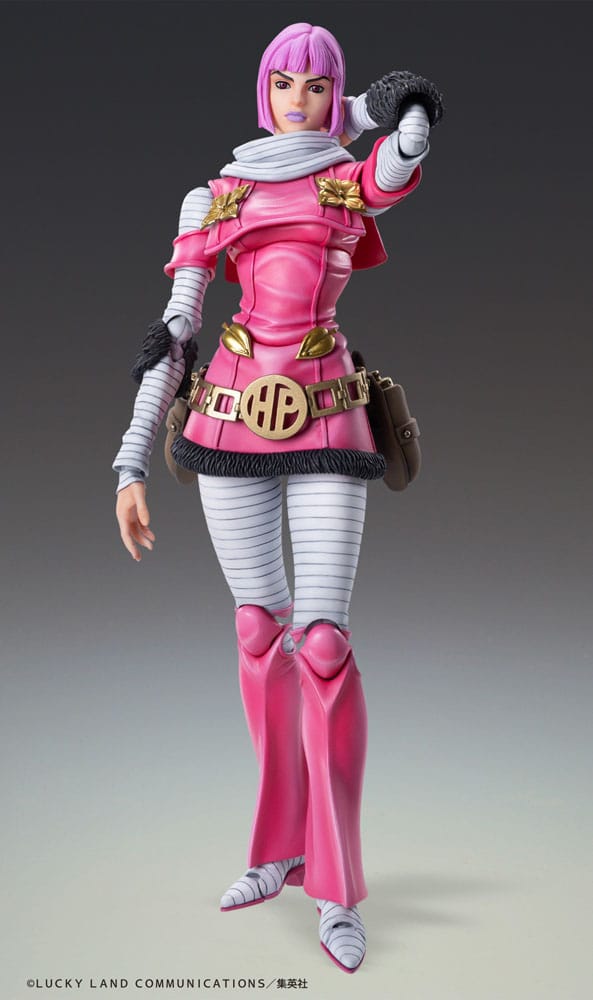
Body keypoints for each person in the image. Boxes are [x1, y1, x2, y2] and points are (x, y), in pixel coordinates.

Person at [114, 22, 442, 974]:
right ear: (263, 93)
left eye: (317, 86)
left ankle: (336, 888)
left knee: (323, 645)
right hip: (228, 417)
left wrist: (382, 114)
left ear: (334, 94)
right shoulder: (215, 194)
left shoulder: (343, 180)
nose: (299, 101)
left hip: (327, 415)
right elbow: (173, 334)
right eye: (285, 84)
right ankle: (277, 849)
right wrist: (130, 463)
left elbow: (401, 155)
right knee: (259, 632)